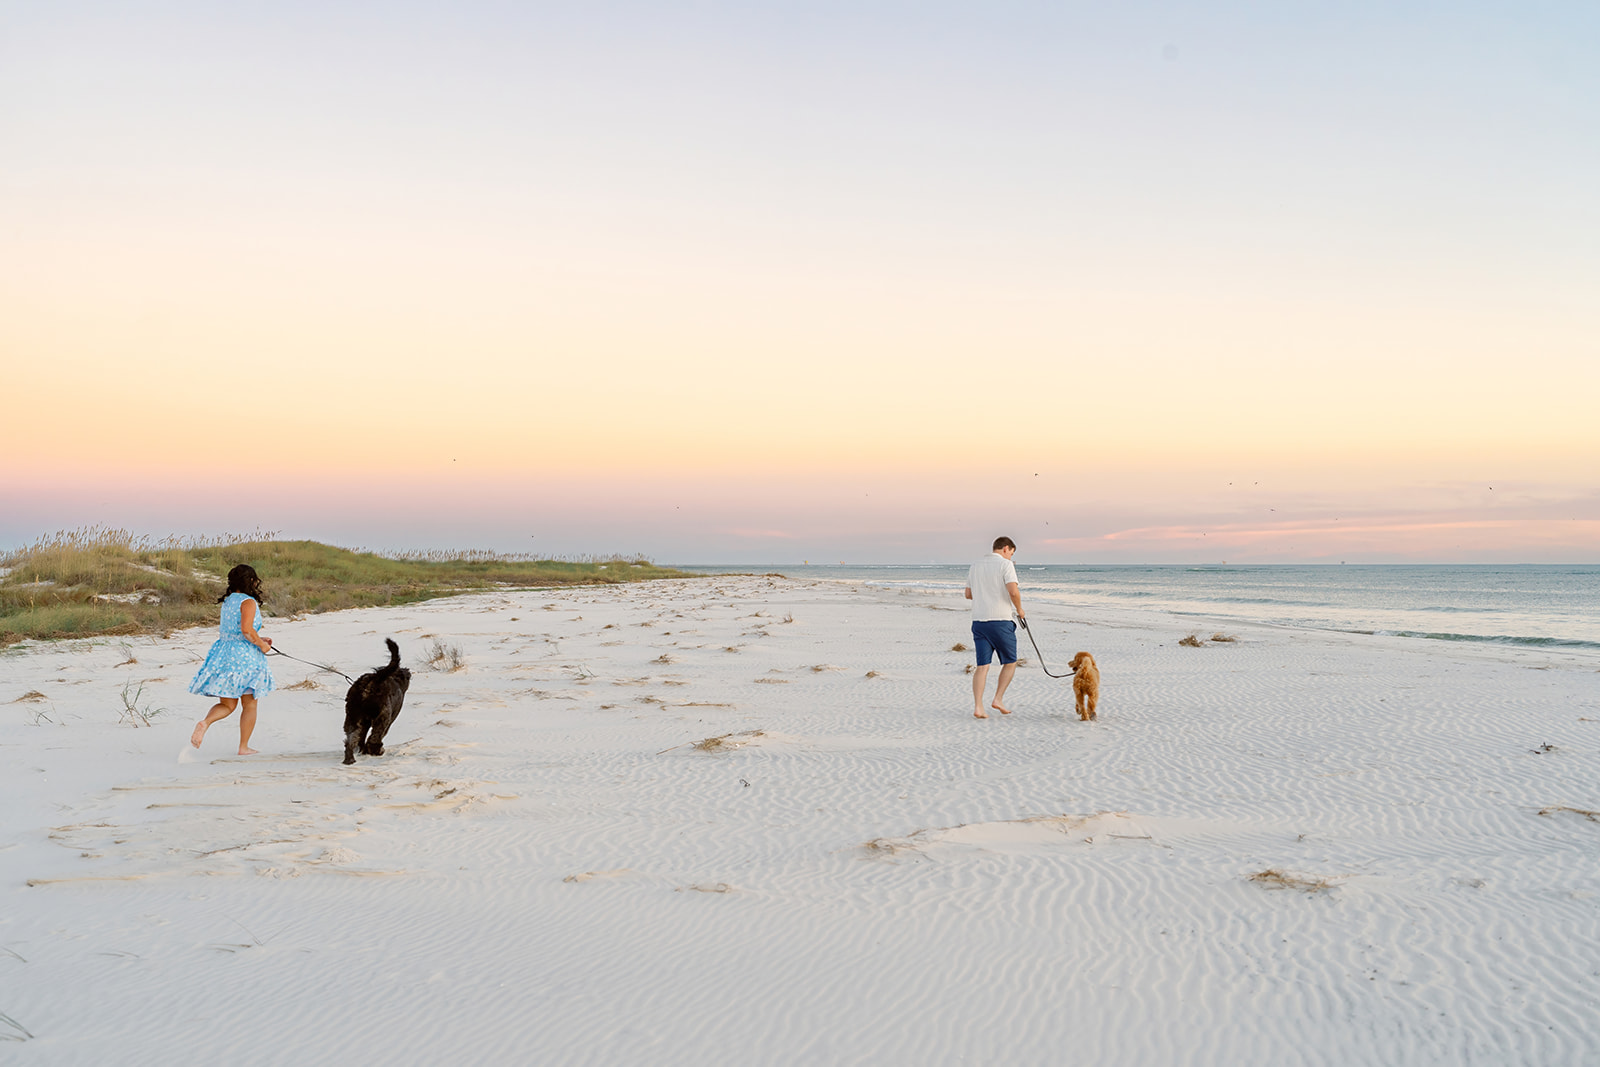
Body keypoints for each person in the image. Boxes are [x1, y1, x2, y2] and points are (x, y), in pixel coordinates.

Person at [188, 564, 275, 754]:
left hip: (224, 654)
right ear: (251, 581)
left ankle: (205, 722)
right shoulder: (248, 601)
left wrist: (260, 638)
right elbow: (246, 630)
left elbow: (236, 630)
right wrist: (262, 646)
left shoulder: (228, 601)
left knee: (227, 705)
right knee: (250, 704)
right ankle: (243, 747)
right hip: (244, 658)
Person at [964, 536, 1025, 718]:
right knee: (1010, 662)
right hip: (1000, 621)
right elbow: (1013, 591)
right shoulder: (1006, 565)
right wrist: (1020, 609)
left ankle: (978, 707)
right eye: (1011, 553)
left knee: (982, 666)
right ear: (1006, 548)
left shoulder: (975, 565)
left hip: (979, 621)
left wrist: (985, 594)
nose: (1010, 557)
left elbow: (968, 594)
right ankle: (998, 699)